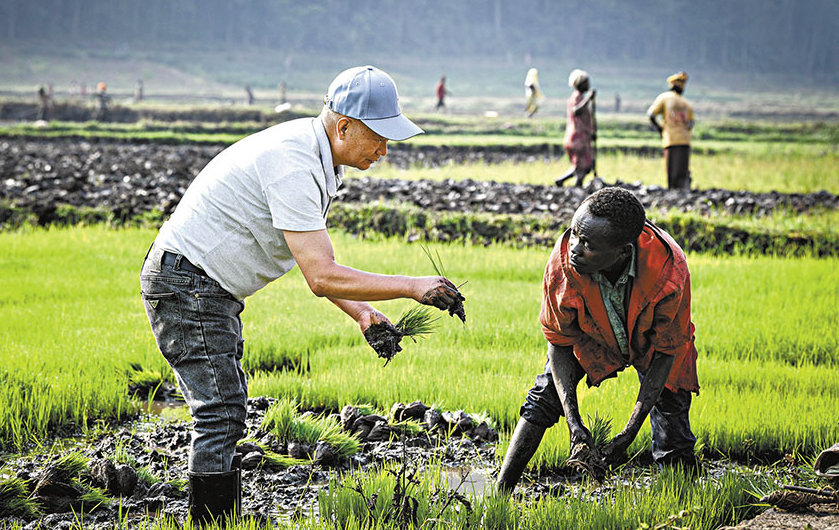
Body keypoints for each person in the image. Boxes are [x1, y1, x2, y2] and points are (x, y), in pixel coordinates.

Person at [140, 65, 465, 524]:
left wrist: (362, 313)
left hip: (204, 287)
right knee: (220, 412)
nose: (384, 150)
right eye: (378, 137)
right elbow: (321, 275)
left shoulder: (317, 159)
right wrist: (413, 287)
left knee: (225, 409)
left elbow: (306, 256)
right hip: (189, 284)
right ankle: (211, 523)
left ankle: (218, 520)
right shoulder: (294, 162)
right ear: (345, 126)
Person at [496, 187, 699, 493]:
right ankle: (500, 492)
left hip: (651, 342)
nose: (574, 247)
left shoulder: (668, 272)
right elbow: (560, 342)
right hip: (592, 334)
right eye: (575, 233)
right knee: (544, 395)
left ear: (623, 252)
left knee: (673, 432)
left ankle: (685, 502)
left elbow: (667, 351)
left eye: (588, 244)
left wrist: (630, 432)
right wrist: (573, 423)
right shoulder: (563, 265)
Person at [647, 72, 694, 190]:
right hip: (685, 140)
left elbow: (651, 114)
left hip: (671, 139)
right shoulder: (686, 103)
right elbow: (691, 123)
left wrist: (660, 129)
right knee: (682, 170)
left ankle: (672, 192)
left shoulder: (664, 97)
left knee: (672, 171)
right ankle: (682, 191)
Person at [554, 69, 596, 187]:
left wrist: (591, 133)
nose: (588, 85)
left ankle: (561, 181)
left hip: (579, 136)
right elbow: (576, 111)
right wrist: (588, 98)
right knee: (583, 167)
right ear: (581, 84)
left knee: (582, 166)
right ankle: (578, 188)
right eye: (586, 83)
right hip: (579, 138)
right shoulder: (578, 97)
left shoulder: (577, 97)